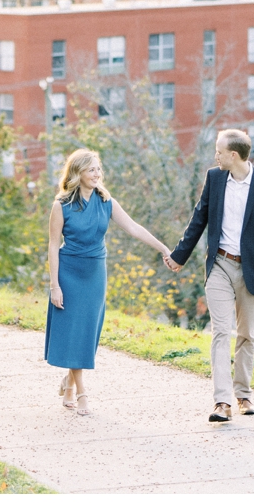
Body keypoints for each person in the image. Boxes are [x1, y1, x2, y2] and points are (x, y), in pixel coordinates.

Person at [165, 128, 254, 423]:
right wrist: (180, 256)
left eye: (219, 151)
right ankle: (222, 402)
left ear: (233, 155)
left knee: (247, 334)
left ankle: (243, 394)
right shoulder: (215, 179)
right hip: (220, 265)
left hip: (252, 271)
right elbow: (199, 218)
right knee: (220, 332)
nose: (214, 156)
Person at [46, 148, 172, 415]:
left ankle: (68, 382)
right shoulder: (61, 206)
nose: (97, 174)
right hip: (69, 273)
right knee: (75, 333)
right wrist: (54, 285)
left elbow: (134, 227)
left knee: (87, 334)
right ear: (77, 173)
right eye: (91, 169)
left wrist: (163, 249)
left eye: (98, 169)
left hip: (95, 274)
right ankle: (81, 393)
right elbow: (53, 246)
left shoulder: (107, 202)